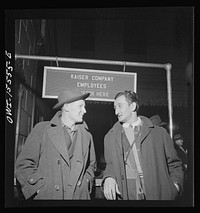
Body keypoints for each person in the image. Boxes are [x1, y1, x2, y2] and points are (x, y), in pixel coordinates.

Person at [15, 88, 96, 200]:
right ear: (67, 107)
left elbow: (91, 166)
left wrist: (86, 182)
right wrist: (38, 188)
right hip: (49, 197)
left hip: (78, 197)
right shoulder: (42, 129)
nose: (85, 111)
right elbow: (24, 164)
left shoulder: (87, 136)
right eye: (80, 106)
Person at [102, 90, 184, 200]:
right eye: (115, 107)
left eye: (120, 106)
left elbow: (175, 164)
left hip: (158, 192)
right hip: (127, 192)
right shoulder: (110, 137)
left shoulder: (159, 133)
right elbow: (110, 165)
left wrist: (175, 186)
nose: (116, 111)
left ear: (133, 106)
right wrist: (108, 177)